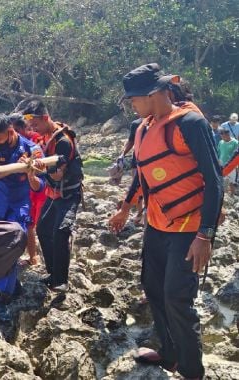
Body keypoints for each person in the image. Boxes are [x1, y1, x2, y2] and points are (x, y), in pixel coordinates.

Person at [109, 63, 223, 380]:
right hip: (157, 225)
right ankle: (170, 354)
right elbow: (142, 175)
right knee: (154, 288)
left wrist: (206, 236)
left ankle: (191, 371)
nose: (132, 104)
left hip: (189, 228)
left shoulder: (190, 123)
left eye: (134, 99)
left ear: (153, 94)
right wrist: (124, 207)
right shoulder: (144, 127)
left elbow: (215, 182)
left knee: (177, 297)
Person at [15, 97, 83, 293]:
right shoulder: (45, 137)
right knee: (43, 229)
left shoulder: (63, 141)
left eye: (35, 124)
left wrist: (38, 168)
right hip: (52, 193)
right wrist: (31, 162)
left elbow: (58, 173)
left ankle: (62, 280)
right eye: (30, 125)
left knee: (61, 232)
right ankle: (53, 274)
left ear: (45, 118)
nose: (33, 128)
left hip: (68, 194)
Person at [0, 113, 44, 322]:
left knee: (14, 243)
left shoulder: (30, 148)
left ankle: (3, 296)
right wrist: (17, 167)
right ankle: (13, 286)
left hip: (19, 203)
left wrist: (31, 171)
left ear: (11, 131)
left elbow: (39, 184)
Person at [9, 113, 44, 266]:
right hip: (24, 188)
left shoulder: (35, 141)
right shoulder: (13, 143)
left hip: (37, 186)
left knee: (34, 224)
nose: (13, 134)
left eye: (16, 130)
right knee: (29, 223)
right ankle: (32, 255)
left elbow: (39, 165)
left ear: (24, 128)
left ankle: (34, 256)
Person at [217, 129, 239, 194]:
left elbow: (236, 155)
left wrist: (237, 166)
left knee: (231, 182)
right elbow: (219, 152)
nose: (223, 137)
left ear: (228, 134)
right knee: (223, 181)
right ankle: (224, 195)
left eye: (225, 135)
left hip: (232, 166)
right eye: (222, 136)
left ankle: (233, 196)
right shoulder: (220, 142)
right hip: (222, 164)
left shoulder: (235, 142)